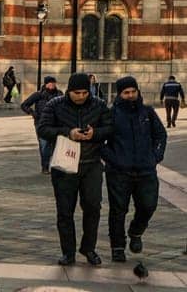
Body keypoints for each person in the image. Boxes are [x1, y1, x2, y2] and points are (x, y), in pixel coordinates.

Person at [37, 70, 113, 267]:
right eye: (77, 93)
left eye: (84, 93)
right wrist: (67, 132)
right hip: (64, 167)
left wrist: (95, 133)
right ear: (69, 91)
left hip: (91, 165)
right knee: (65, 211)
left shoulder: (99, 105)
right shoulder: (55, 105)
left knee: (93, 208)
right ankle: (68, 252)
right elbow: (43, 129)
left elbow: (111, 128)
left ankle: (89, 249)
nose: (81, 97)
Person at [104, 74, 167, 262]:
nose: (130, 95)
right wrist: (113, 159)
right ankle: (117, 246)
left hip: (146, 170)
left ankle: (136, 231)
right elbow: (100, 141)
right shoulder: (111, 114)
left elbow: (160, 136)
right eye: (126, 92)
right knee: (118, 210)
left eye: (133, 91)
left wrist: (155, 157)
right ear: (119, 94)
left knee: (148, 205)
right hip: (119, 171)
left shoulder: (147, 112)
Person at [21, 75, 62, 172]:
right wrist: (33, 113)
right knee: (44, 145)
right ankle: (45, 167)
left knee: (55, 145)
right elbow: (24, 105)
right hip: (41, 123)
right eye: (50, 83)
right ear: (46, 84)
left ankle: (54, 165)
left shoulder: (59, 94)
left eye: (53, 83)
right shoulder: (38, 94)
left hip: (55, 124)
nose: (52, 85)